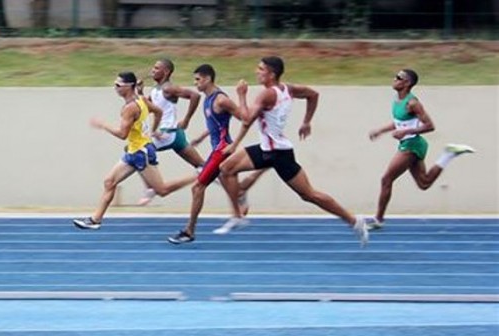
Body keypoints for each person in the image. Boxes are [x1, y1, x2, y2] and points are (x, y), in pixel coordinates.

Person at [218, 56, 368, 246]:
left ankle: (354, 221)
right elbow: (313, 94)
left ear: (271, 74)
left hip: (278, 154)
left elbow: (246, 119)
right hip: (267, 148)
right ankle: (238, 214)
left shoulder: (266, 95)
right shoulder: (288, 89)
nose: (256, 71)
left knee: (309, 195)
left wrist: (241, 94)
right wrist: (306, 121)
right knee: (226, 169)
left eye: (260, 69)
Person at [73, 71, 196, 230]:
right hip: (134, 150)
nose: (115, 88)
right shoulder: (141, 99)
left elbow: (122, 134)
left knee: (161, 190)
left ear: (129, 86)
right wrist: (152, 131)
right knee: (109, 182)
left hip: (140, 153)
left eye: (118, 85)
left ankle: (198, 176)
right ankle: (95, 219)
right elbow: (158, 112)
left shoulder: (130, 108)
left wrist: (103, 125)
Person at [367, 69, 475, 230]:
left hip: (412, 144)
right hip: (409, 143)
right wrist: (381, 131)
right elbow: (399, 122)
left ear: (407, 83)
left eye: (399, 77)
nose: (394, 79)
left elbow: (430, 126)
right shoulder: (396, 99)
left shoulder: (413, 103)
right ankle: (448, 154)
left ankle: (379, 220)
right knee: (424, 183)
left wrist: (405, 132)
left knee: (386, 180)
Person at [167, 64, 247, 244]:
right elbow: (215, 124)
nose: (195, 83)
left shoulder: (221, 100)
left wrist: (234, 144)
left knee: (197, 187)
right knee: (224, 180)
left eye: (198, 79)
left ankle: (189, 231)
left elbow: (244, 118)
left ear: (208, 79)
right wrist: (202, 137)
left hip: (222, 150)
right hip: (217, 148)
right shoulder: (207, 99)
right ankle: (240, 199)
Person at [135, 59, 205, 206]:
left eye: (156, 68)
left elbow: (195, 96)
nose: (153, 70)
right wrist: (140, 91)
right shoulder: (156, 90)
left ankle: (150, 188)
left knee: (137, 152)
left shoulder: (169, 88)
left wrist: (186, 120)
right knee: (202, 166)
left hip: (168, 133)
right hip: (176, 136)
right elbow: (147, 107)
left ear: (166, 72)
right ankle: (233, 190)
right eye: (153, 67)